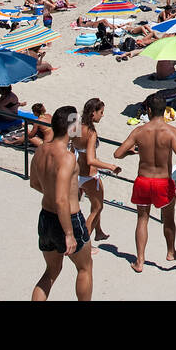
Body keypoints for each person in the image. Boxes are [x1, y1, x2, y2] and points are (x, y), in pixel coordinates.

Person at [113, 92, 176, 272]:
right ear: (164, 111)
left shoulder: (139, 131)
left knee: (142, 219)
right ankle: (171, 252)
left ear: (148, 110)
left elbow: (117, 154)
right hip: (163, 182)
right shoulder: (171, 132)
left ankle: (140, 261)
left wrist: (130, 151)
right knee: (169, 220)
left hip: (143, 181)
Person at [30, 105, 93, 301]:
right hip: (68, 220)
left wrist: (52, 192)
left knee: (51, 271)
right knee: (84, 268)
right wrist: (68, 233)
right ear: (71, 127)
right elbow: (61, 199)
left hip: (45, 217)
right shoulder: (66, 157)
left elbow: (34, 183)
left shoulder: (41, 149)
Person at [73, 98, 122, 249]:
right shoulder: (91, 132)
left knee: (93, 204)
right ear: (93, 113)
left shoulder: (74, 126)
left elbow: (70, 148)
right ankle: (84, 243)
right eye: (101, 112)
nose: (102, 115)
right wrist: (111, 166)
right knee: (97, 208)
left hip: (76, 172)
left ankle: (98, 231)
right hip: (89, 175)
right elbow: (91, 160)